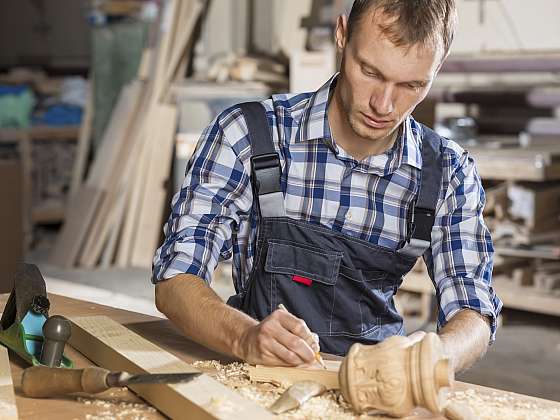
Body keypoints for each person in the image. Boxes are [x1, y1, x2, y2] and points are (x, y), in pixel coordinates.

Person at [152, 0, 502, 372]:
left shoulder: (447, 171)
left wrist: (437, 355)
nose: (383, 104)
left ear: (437, 68)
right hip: (258, 373)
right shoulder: (248, 135)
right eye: (369, 71)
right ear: (342, 35)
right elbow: (176, 280)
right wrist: (244, 337)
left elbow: (473, 309)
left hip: (374, 383)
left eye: (411, 84)